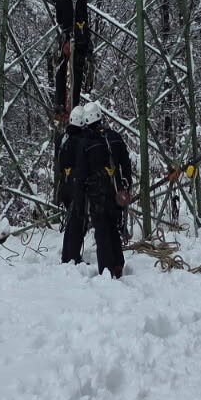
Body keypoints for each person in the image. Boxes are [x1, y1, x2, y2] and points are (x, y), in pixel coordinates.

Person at [69, 100, 131, 278]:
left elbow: (80, 174)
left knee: (102, 231)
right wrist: (126, 185)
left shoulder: (86, 144)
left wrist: (80, 202)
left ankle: (106, 269)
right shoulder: (114, 137)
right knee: (114, 227)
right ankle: (118, 264)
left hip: (97, 195)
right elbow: (126, 163)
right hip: (116, 193)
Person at [52, 0, 91, 115]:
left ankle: (60, 103)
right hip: (83, 41)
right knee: (77, 75)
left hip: (70, 41)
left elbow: (60, 21)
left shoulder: (61, 2)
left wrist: (57, 2)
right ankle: (74, 106)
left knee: (61, 71)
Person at [59, 103, 90, 264]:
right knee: (77, 222)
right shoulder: (81, 142)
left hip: (66, 185)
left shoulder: (64, 140)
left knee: (72, 221)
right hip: (77, 186)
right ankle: (71, 257)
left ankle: (68, 254)